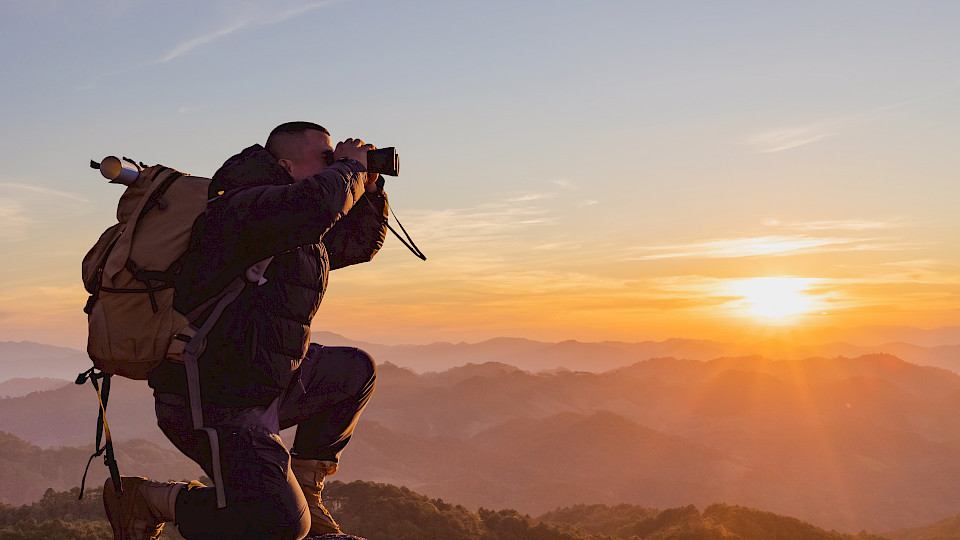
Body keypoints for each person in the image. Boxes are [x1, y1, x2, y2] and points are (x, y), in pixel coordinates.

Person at [102, 121, 389, 539]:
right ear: (287, 165)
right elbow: (313, 207)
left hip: (267, 379)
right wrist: (347, 168)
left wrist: (370, 187)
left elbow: (355, 245)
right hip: (214, 400)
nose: (334, 165)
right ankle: (151, 500)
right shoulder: (241, 205)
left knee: (354, 369)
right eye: (325, 158)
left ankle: (306, 490)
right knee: (283, 528)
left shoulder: (291, 223)